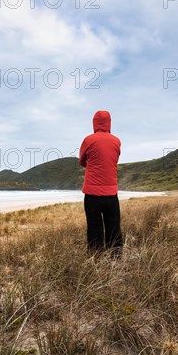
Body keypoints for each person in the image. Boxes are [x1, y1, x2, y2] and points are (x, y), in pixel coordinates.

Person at [79, 110, 123, 259]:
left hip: (92, 193)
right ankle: (115, 258)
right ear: (109, 123)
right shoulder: (117, 141)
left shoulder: (88, 140)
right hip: (111, 193)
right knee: (113, 226)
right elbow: (114, 159)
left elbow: (81, 161)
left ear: (94, 123)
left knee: (94, 226)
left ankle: (96, 257)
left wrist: (91, 163)